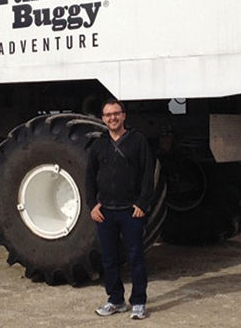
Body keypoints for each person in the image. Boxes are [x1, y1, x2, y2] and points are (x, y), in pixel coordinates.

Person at [85, 98, 154, 320]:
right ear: (103, 118)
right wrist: (92, 205)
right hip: (105, 211)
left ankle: (139, 302)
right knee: (109, 259)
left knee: (136, 257)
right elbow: (89, 178)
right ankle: (115, 300)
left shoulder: (138, 141)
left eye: (116, 113)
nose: (112, 118)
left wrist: (143, 203)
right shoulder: (98, 145)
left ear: (124, 115)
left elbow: (147, 174)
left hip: (131, 211)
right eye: (108, 115)